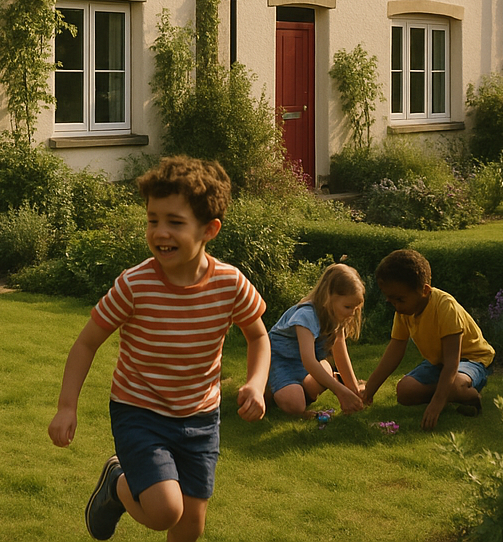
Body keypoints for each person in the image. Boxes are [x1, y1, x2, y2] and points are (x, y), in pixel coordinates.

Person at [47, 156, 270, 542]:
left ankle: (124, 485)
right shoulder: (135, 285)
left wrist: (255, 382)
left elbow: (259, 336)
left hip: (200, 417)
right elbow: (86, 342)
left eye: (175, 222)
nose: (160, 231)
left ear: (209, 229)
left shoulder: (230, 284)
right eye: (153, 220)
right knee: (166, 510)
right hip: (140, 411)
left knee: (189, 527)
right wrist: (67, 406)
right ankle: (118, 482)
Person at [362, 248, 494, 430]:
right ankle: (451, 392)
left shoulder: (445, 307)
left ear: (424, 290)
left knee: (454, 385)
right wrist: (368, 392)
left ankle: (467, 395)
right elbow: (394, 351)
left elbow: (451, 362)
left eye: (400, 299)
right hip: (438, 362)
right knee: (404, 392)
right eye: (391, 301)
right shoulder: (404, 311)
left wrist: (436, 404)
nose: (397, 307)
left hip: (471, 360)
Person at [267, 262, 367, 417]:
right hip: (281, 361)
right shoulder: (306, 315)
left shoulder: (336, 316)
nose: (351, 313)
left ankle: (294, 389)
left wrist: (353, 391)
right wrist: (340, 391)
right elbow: (309, 360)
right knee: (295, 405)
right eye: (348, 307)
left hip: (303, 365)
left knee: (324, 372)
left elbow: (340, 354)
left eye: (355, 308)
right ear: (329, 298)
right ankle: (269, 387)